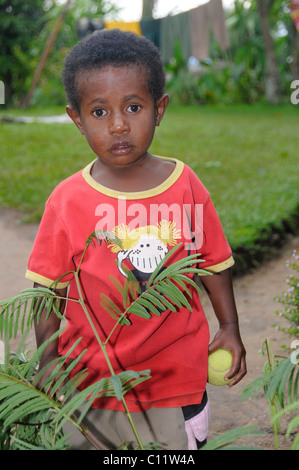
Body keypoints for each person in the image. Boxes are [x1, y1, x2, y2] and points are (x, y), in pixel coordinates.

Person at [26, 29, 246, 450]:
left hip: (175, 380)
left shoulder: (185, 186)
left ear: (159, 109)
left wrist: (231, 326)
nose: (120, 125)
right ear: (77, 119)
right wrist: (48, 357)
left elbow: (214, 262)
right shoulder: (67, 200)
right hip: (90, 382)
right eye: (99, 112)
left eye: (133, 106)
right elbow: (47, 289)